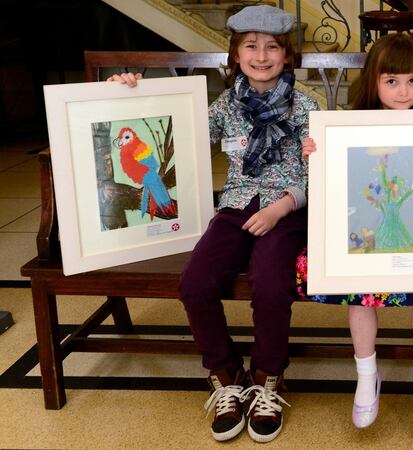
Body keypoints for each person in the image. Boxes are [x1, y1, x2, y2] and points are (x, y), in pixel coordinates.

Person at [110, 5, 318, 444]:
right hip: (236, 205)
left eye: (272, 47)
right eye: (251, 46)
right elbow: (177, 136)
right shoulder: (225, 105)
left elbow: (322, 169)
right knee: (195, 280)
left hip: (288, 210)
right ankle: (226, 375)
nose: (262, 56)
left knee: (268, 281)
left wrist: (282, 207)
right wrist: (126, 96)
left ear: (286, 55)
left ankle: (267, 378)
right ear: (236, 54)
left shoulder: (305, 106)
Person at [298, 33, 413, 428]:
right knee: (357, 284)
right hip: (367, 229)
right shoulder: (348, 128)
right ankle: (367, 376)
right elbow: (336, 190)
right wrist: (318, 156)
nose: (404, 91)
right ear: (374, 82)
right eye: (392, 81)